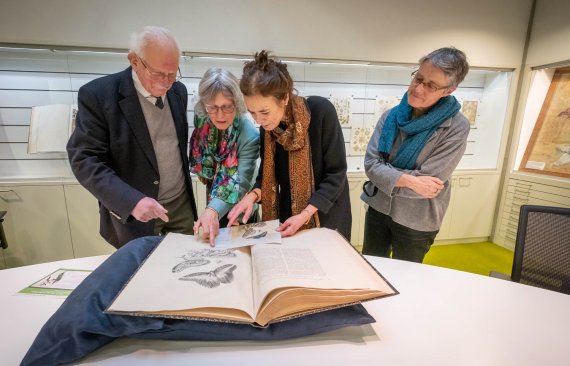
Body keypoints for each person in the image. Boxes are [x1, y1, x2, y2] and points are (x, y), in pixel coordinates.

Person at [67, 26, 197, 248]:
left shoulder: (178, 92)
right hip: (136, 214)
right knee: (141, 273)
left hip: (180, 204)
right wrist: (131, 201)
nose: (167, 82)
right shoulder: (98, 95)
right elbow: (85, 160)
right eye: (158, 74)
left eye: (173, 73)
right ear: (134, 61)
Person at [360, 46, 470, 263]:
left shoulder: (457, 126)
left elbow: (430, 183)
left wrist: (387, 177)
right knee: (371, 268)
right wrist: (409, 180)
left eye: (431, 85)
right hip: (378, 207)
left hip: (417, 218)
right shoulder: (391, 116)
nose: (419, 88)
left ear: (449, 90)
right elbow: (372, 165)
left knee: (407, 279)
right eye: (418, 78)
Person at [227, 50, 351, 239]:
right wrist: (250, 197)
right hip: (289, 219)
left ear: (284, 98)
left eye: (264, 112)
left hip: (327, 218)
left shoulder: (320, 112)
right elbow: (266, 177)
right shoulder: (268, 129)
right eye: (252, 113)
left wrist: (305, 214)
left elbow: (336, 174)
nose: (259, 120)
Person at [190, 68, 260, 245]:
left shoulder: (249, 134)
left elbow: (242, 181)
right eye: (213, 107)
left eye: (227, 107)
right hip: (213, 194)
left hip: (239, 203)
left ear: (237, 104)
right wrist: (211, 210)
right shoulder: (202, 119)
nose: (219, 115)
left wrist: (212, 210)